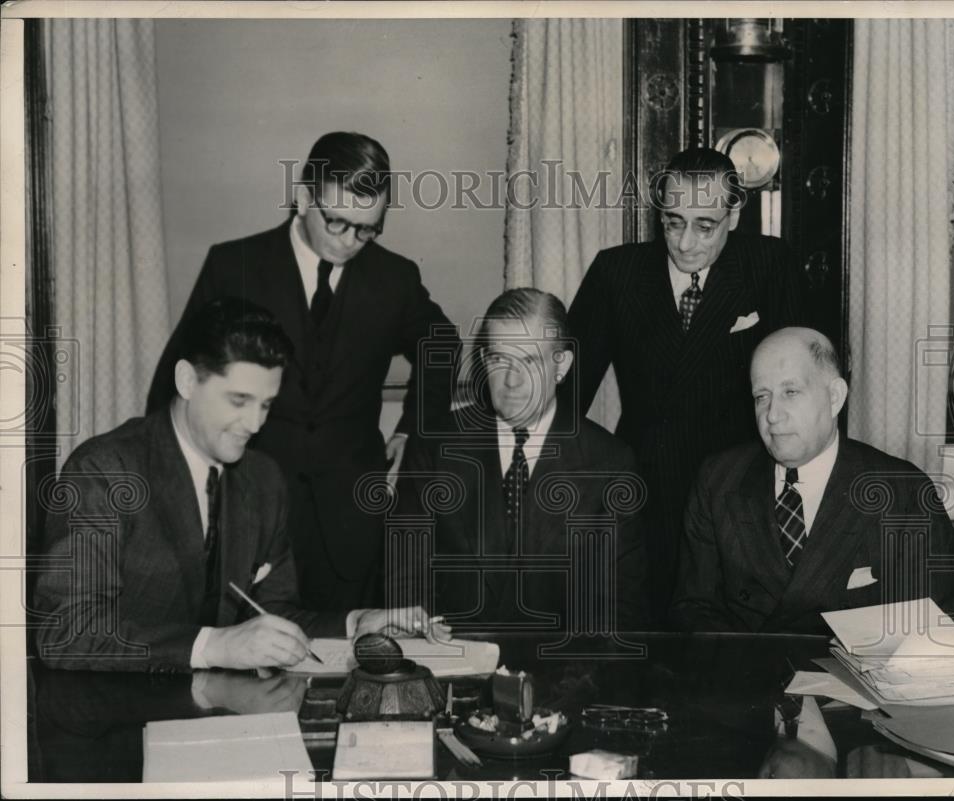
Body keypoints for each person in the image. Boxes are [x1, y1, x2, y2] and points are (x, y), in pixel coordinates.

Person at [34, 298, 448, 673]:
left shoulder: (263, 480)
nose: (255, 424)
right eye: (238, 401)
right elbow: (66, 630)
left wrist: (356, 622)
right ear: (187, 381)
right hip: (115, 725)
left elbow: (272, 615)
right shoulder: (103, 470)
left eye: (266, 404)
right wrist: (214, 646)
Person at [146, 132, 461, 614]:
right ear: (303, 198)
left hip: (353, 522)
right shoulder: (236, 265)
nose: (352, 241)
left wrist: (414, 427)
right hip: (249, 513)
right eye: (338, 222)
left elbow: (440, 343)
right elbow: (177, 380)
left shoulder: (393, 278)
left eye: (369, 228)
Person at [567, 147, 808, 623]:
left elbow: (806, 384)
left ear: (734, 215)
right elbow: (567, 393)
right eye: (673, 222)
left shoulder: (770, 264)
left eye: (705, 225)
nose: (686, 243)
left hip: (739, 493)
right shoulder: (617, 272)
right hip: (644, 485)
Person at [668, 327, 954, 634]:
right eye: (762, 396)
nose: (772, 415)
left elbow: (936, 625)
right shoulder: (718, 481)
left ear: (835, 397)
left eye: (790, 392)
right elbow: (694, 611)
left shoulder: (903, 492)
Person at [392, 288, 646, 634]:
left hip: (563, 675)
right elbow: (407, 582)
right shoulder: (435, 447)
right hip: (451, 665)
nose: (511, 381)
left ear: (562, 365)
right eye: (498, 359)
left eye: (528, 360)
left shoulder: (610, 463)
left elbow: (619, 608)